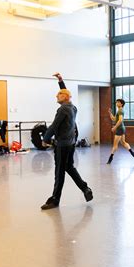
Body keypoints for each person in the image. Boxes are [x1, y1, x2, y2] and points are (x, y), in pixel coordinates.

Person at [40, 73, 93, 210]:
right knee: (69, 167)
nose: (56, 96)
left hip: (62, 145)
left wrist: (45, 139)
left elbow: (54, 126)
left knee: (59, 172)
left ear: (64, 97)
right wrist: (61, 81)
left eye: (58, 94)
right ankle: (85, 188)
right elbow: (67, 94)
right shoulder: (72, 107)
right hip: (70, 144)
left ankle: (55, 200)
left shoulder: (62, 109)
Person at [107, 99, 134, 164]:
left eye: (118, 102)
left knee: (115, 145)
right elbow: (114, 119)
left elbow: (120, 120)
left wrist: (114, 127)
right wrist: (110, 113)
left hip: (119, 128)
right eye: (116, 102)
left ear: (121, 104)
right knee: (123, 142)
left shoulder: (120, 111)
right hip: (122, 128)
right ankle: (132, 152)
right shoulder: (119, 111)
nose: (116, 103)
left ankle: (111, 158)